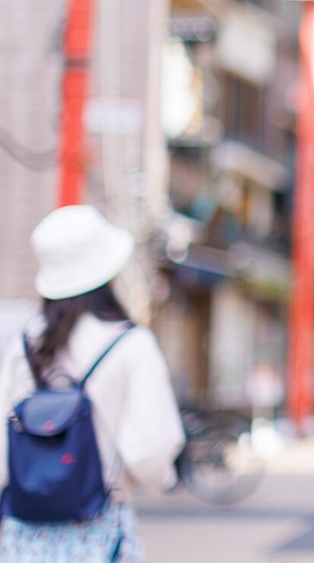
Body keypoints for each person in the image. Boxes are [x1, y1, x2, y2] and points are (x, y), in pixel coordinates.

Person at [0, 205, 186, 562]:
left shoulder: (24, 345)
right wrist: (150, 480)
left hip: (25, 530)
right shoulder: (131, 344)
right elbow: (150, 448)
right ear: (109, 274)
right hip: (100, 526)